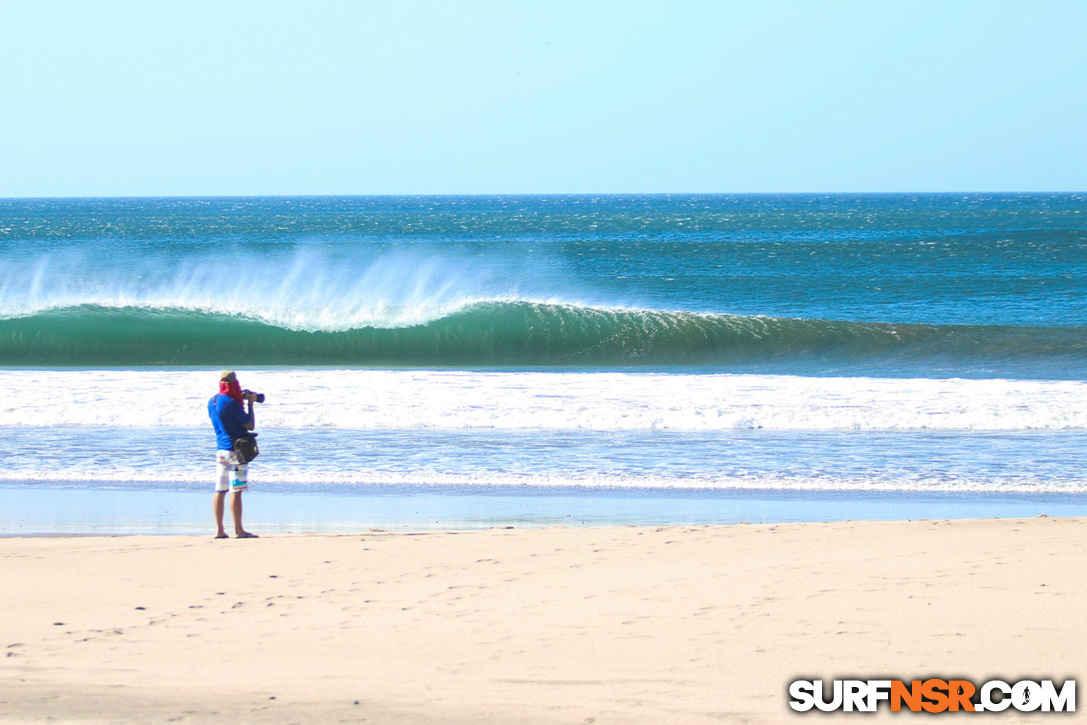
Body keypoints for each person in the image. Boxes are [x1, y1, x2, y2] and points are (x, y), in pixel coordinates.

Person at [208, 370, 259, 539]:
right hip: (237, 452)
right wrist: (251, 404)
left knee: (220, 490)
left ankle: (219, 530)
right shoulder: (231, 403)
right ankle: (238, 530)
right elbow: (250, 425)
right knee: (236, 490)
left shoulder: (212, 401)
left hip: (221, 451)